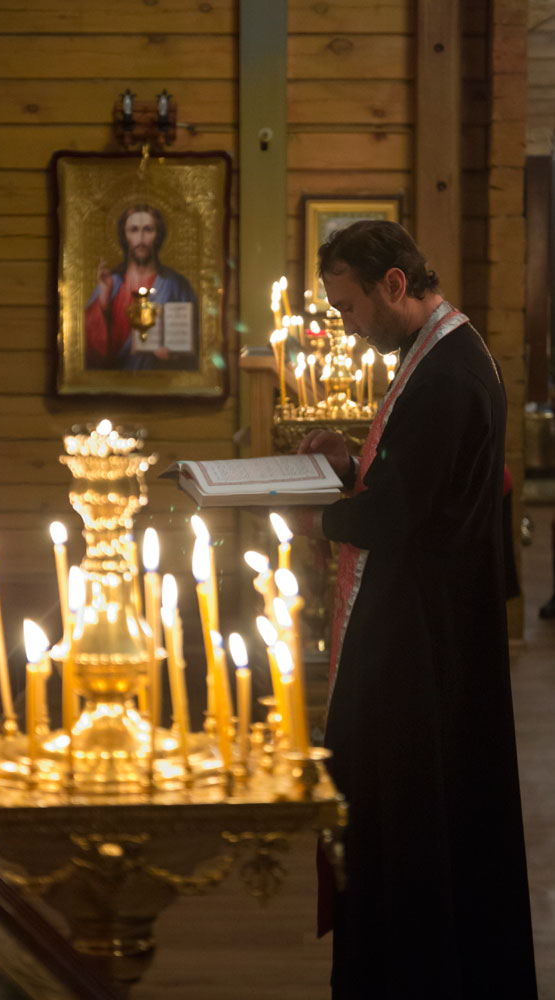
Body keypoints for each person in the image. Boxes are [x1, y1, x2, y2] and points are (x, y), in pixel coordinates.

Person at [294, 221, 537, 998]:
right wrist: (348, 464)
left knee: (408, 817)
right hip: (422, 623)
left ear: (394, 284)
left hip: (419, 641)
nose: (346, 326)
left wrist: (311, 512)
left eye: (348, 306)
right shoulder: (438, 354)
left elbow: (396, 515)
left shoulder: (446, 374)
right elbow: (411, 479)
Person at [84, 203, 197, 371]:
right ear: (124, 236)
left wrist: (175, 354)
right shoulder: (111, 283)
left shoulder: (177, 284)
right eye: (134, 230)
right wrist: (104, 302)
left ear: (158, 235)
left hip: (160, 379)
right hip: (114, 380)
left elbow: (197, 341)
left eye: (148, 230)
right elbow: (89, 349)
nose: (141, 239)